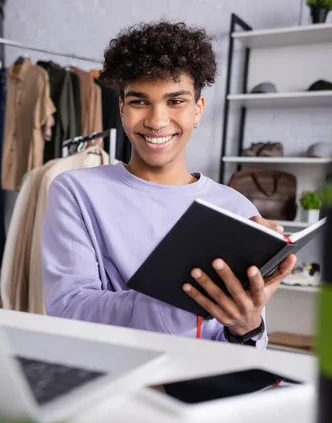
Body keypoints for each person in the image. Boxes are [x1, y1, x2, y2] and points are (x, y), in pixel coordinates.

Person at [41, 21, 296, 349]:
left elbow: (250, 347)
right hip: (113, 383)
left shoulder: (237, 209)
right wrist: (189, 297)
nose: (157, 120)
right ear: (121, 108)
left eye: (175, 102)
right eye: (139, 102)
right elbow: (68, 310)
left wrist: (248, 326)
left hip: (206, 389)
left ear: (198, 110)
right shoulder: (76, 192)